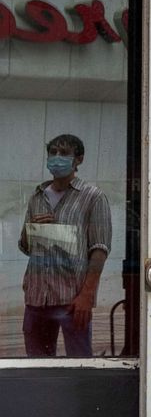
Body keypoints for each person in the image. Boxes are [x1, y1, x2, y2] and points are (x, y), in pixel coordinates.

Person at [18, 134, 111, 358]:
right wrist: (33, 228)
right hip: (37, 297)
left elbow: (99, 249)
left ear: (78, 160)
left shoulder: (93, 197)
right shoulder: (37, 196)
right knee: (37, 365)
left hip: (72, 299)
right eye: (53, 153)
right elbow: (25, 246)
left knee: (79, 364)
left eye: (64, 154)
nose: (57, 158)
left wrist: (87, 296)